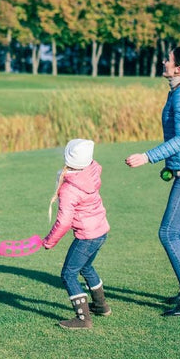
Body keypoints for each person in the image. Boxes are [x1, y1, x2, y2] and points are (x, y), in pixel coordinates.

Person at [125, 47, 180, 317]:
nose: (164, 61)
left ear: (178, 69)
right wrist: (170, 165)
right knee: (175, 231)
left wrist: (147, 157)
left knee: (168, 233)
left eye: (168, 59)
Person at [43, 139, 111, 329]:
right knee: (86, 267)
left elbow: (64, 221)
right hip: (101, 231)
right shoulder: (92, 171)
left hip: (87, 237)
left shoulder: (69, 189)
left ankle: (83, 319)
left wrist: (49, 241)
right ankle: (101, 306)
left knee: (68, 274)